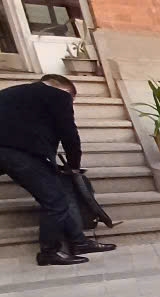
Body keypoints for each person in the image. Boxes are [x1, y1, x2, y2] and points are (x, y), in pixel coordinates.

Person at [0, 74, 115, 265]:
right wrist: (74, 165)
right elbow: (69, 134)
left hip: (11, 154)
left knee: (56, 195)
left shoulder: (11, 94)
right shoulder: (58, 95)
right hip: (21, 154)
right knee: (55, 202)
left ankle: (79, 242)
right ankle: (49, 252)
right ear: (66, 91)